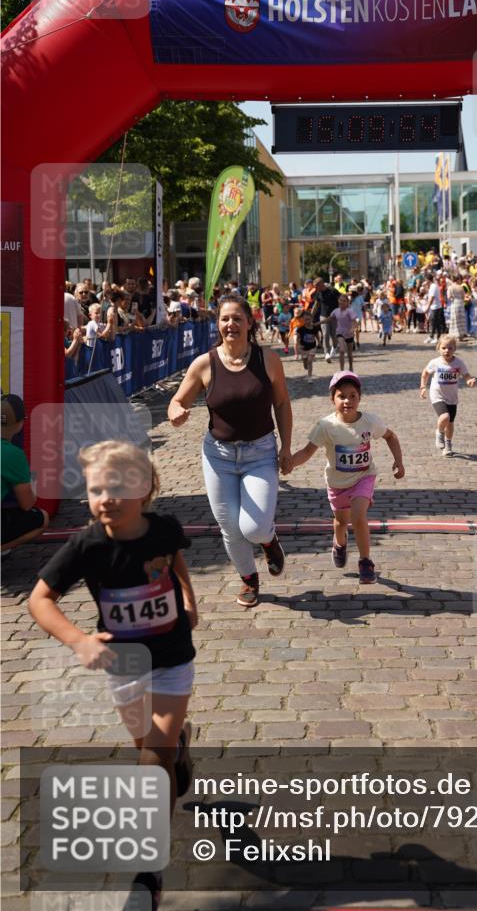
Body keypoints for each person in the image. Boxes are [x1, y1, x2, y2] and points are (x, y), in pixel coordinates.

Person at [28, 440, 198, 909]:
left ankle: (149, 870)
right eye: (95, 489)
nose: (105, 498)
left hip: (171, 659)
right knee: (149, 749)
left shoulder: (164, 528)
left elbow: (175, 558)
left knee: (150, 763)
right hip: (122, 665)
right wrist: (78, 640)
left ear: (143, 489)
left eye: (117, 487)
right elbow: (39, 600)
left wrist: (187, 598)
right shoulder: (85, 546)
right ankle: (179, 744)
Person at [167, 297, 292, 608]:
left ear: (249, 323)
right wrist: (176, 412)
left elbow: (282, 404)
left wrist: (286, 447)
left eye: (237, 318)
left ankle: (269, 540)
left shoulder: (268, 360)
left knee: (255, 527)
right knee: (230, 527)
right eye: (225, 319)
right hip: (218, 456)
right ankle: (249, 578)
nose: (230, 325)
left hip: (261, 452)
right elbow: (176, 401)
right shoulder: (204, 363)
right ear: (217, 324)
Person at [289, 371, 404, 583]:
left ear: (360, 398)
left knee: (359, 516)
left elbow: (390, 436)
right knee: (341, 522)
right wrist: (289, 464)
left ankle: (365, 562)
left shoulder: (369, 422)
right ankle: (339, 544)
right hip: (337, 483)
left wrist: (398, 461)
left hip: (364, 478)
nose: (347, 401)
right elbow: (306, 452)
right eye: (342, 396)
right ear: (332, 399)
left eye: (353, 396)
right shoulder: (326, 426)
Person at [1, 394, 50, 551]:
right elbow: (27, 503)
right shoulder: (13, 454)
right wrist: (33, 484)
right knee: (42, 518)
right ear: (20, 423)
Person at [419, 335, 477, 457]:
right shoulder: (435, 363)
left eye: (450, 348)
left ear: (455, 349)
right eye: (444, 348)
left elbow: (466, 375)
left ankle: (448, 444)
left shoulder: (459, 363)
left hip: (452, 397)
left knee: (450, 422)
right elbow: (425, 373)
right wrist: (423, 386)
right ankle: (439, 433)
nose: (447, 351)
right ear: (438, 348)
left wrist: (469, 380)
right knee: (445, 416)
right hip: (437, 395)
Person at [322, 292, 359, 372]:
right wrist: (318, 323)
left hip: (349, 334)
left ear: (347, 303)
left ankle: (351, 367)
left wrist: (353, 328)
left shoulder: (349, 311)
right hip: (340, 333)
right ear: (338, 301)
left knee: (349, 353)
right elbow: (329, 318)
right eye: (341, 300)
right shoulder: (336, 311)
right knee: (342, 350)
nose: (342, 302)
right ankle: (341, 370)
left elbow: (355, 322)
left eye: (344, 301)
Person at [296, 310, 318, 382]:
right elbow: (298, 338)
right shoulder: (300, 329)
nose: (307, 321)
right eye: (305, 320)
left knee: (310, 361)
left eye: (309, 319)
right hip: (304, 348)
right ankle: (305, 364)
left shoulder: (314, 328)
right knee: (305, 364)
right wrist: (299, 345)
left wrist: (320, 342)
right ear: (303, 320)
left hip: (312, 347)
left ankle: (309, 377)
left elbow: (317, 335)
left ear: (311, 319)